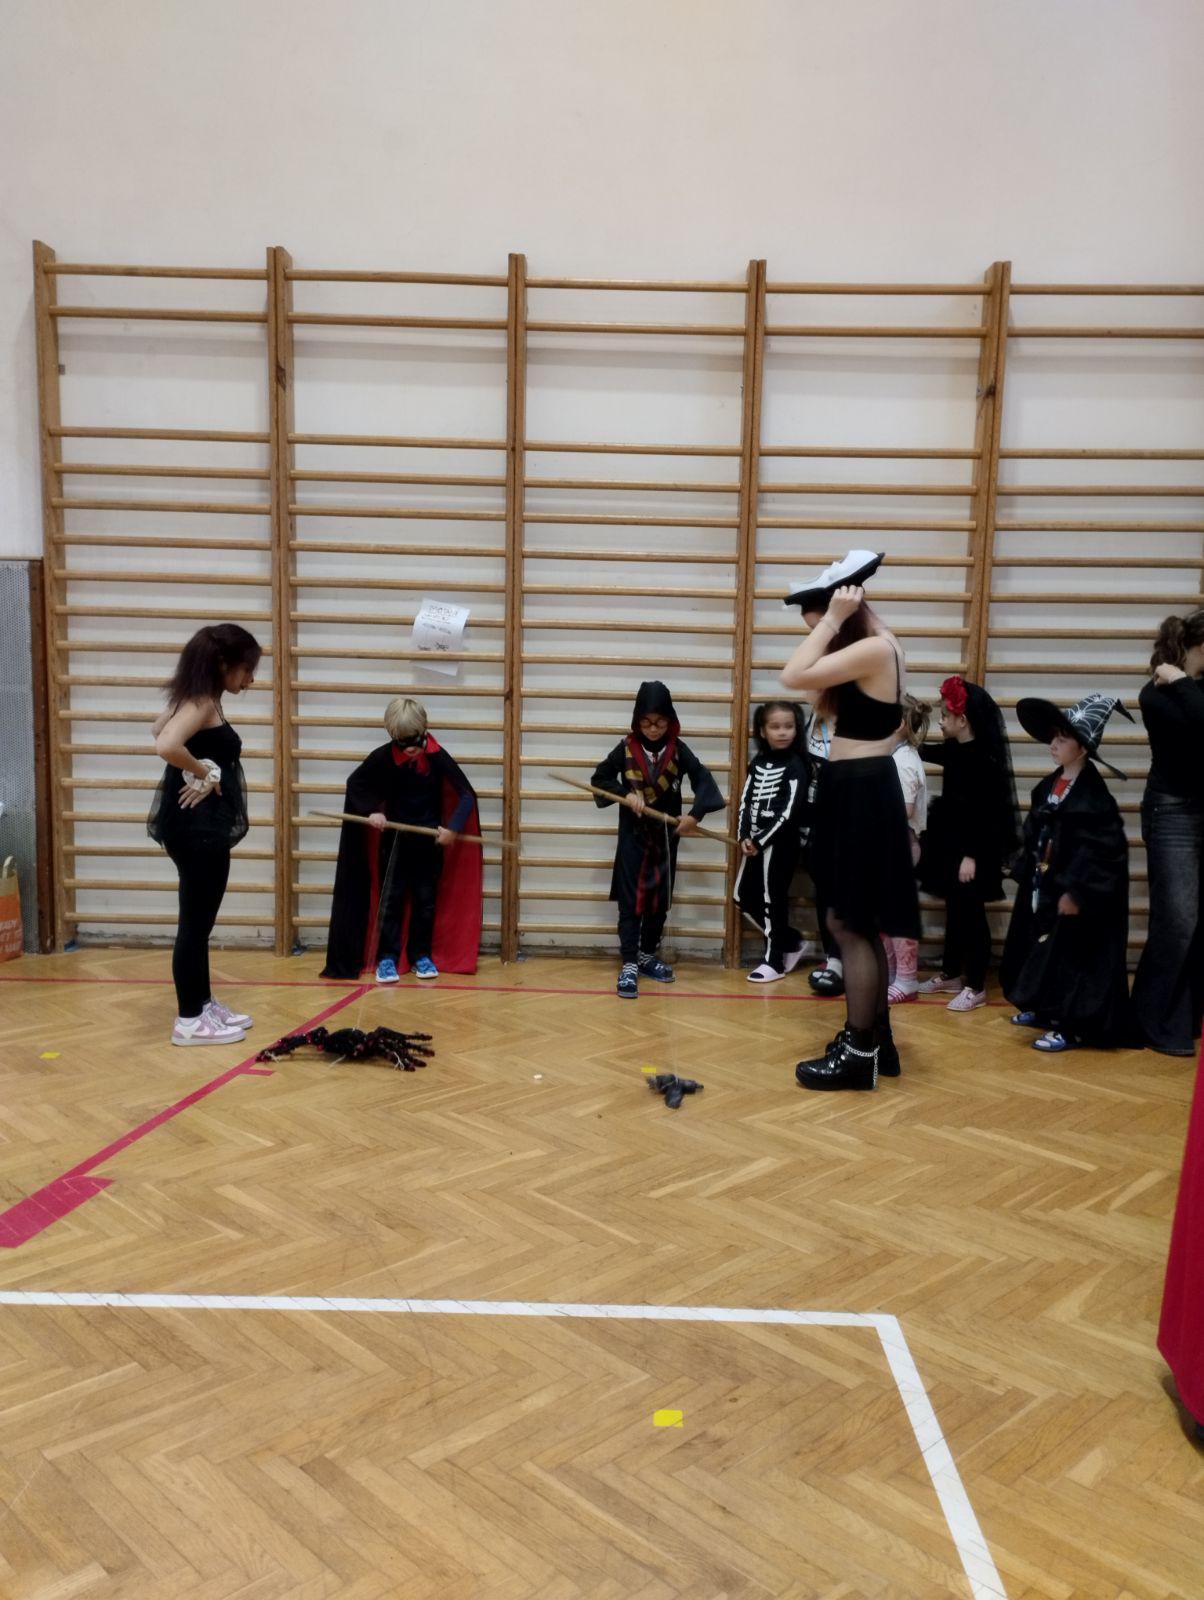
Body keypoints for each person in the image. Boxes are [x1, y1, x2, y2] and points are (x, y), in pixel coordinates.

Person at [780, 550, 920, 1090]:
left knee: (849, 924)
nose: (820, 638)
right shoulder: (879, 642)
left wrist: (833, 618)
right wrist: (835, 616)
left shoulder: (873, 647)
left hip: (861, 791)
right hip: (856, 788)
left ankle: (860, 1054)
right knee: (855, 922)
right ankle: (875, 1040)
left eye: (821, 627)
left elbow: (793, 674)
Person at [1000, 694, 1134, 1053]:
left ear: (1083, 748)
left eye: (1063, 739)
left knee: (1072, 956)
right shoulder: (1050, 786)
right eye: (1053, 738)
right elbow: (1037, 832)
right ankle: (1044, 1008)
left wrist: (1078, 892)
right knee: (1040, 947)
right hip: (1045, 887)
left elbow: (1103, 852)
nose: (1053, 745)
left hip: (1076, 895)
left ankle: (1071, 1026)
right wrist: (1021, 865)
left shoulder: (1095, 798)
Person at [149, 623, 261, 1046]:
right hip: (196, 831)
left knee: (200, 924)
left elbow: (157, 728)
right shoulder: (199, 702)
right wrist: (204, 770)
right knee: (195, 926)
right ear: (223, 664)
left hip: (199, 828)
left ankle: (202, 1002)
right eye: (246, 670)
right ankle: (189, 1021)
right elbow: (166, 745)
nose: (250, 680)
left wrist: (198, 766)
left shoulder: (199, 698)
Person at [321, 697, 481, 982]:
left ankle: (421, 955)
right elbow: (355, 784)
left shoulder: (436, 756)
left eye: (414, 739)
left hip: (428, 845)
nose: (409, 747)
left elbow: (467, 795)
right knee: (391, 902)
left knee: (425, 901)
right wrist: (372, 811)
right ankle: (387, 958)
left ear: (424, 729)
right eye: (401, 740)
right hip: (394, 843)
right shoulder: (383, 757)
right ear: (391, 734)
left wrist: (453, 828)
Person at [591, 680, 725, 999]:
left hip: (665, 839)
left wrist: (695, 815)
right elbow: (600, 778)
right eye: (646, 723)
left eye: (660, 722)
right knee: (630, 902)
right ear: (637, 721)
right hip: (632, 838)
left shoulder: (678, 750)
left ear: (671, 721)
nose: (653, 729)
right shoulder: (625, 748)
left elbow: (703, 779)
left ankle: (646, 955)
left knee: (658, 901)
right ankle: (629, 962)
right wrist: (625, 794)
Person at [915, 676, 1020, 1013]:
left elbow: (989, 816)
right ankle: (950, 973)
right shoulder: (955, 749)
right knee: (956, 911)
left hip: (976, 850)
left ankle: (975, 985)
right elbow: (922, 749)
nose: (941, 721)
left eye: (945, 716)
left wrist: (971, 857)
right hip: (953, 844)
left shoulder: (984, 760)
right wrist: (908, 727)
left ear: (963, 720)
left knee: (972, 916)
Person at [1130, 610, 1204, 1056]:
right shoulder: (1156, 693)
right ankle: (1154, 1020)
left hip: (1199, 810)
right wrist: (1178, 681)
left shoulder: (1187, 688)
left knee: (1196, 921)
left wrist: (1184, 681)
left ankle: (1184, 1017)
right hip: (1172, 811)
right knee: (1178, 921)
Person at [733, 699, 811, 982]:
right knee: (742, 896)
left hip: (781, 845)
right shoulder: (758, 763)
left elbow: (789, 812)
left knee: (771, 899)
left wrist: (762, 840)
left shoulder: (797, 765)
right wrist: (744, 835)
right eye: (775, 726)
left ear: (797, 729)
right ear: (763, 731)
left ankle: (774, 961)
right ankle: (789, 941)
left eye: (788, 726)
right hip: (755, 843)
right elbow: (746, 802)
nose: (782, 732)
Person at [882, 693, 931, 1003]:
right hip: (891, 843)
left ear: (899, 724)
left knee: (897, 916)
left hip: (900, 843)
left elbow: (904, 810)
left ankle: (907, 978)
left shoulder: (903, 762)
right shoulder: (897, 756)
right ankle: (892, 974)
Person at [802, 704, 844, 997]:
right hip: (813, 820)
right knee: (823, 890)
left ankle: (841, 961)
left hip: (845, 818)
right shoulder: (810, 723)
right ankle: (832, 956)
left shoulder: (857, 724)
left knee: (842, 892)